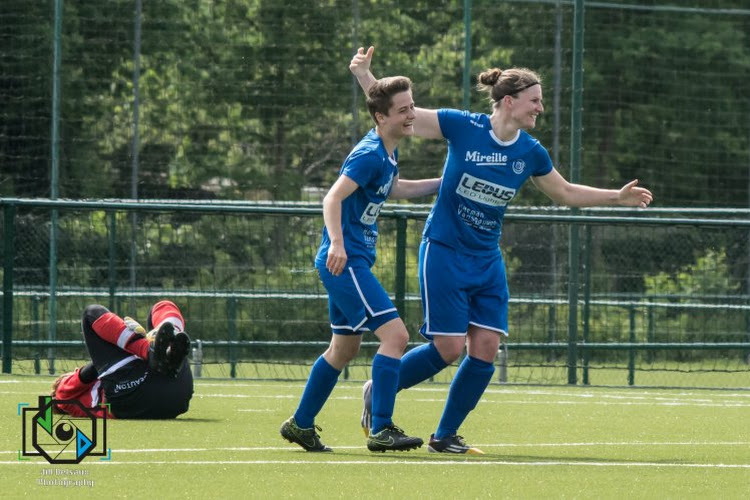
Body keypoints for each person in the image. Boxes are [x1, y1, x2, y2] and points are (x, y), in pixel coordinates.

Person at [351, 46, 653, 454]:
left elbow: (563, 192)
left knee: (487, 347)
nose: (540, 108)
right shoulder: (462, 126)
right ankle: (381, 386)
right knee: (449, 347)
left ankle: (445, 435)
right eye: (535, 100)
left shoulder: (529, 151)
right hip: (443, 250)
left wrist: (615, 198)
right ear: (509, 101)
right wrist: (365, 76)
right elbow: (401, 116)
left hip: (486, 259)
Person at [280, 75, 441, 453]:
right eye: (403, 110)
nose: (411, 114)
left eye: (412, 106)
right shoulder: (369, 153)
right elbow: (332, 199)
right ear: (380, 117)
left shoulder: (388, 151)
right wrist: (336, 242)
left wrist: (442, 183)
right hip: (345, 261)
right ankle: (382, 428)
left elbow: (396, 188)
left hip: (349, 261)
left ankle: (301, 424)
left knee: (343, 349)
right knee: (396, 337)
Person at [51, 300, 193, 419]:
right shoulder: (62, 399)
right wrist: (137, 341)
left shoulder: (101, 386)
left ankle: (163, 348)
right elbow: (91, 370)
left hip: (177, 397)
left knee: (162, 306)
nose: (75, 371)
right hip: (128, 396)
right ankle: (148, 348)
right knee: (91, 313)